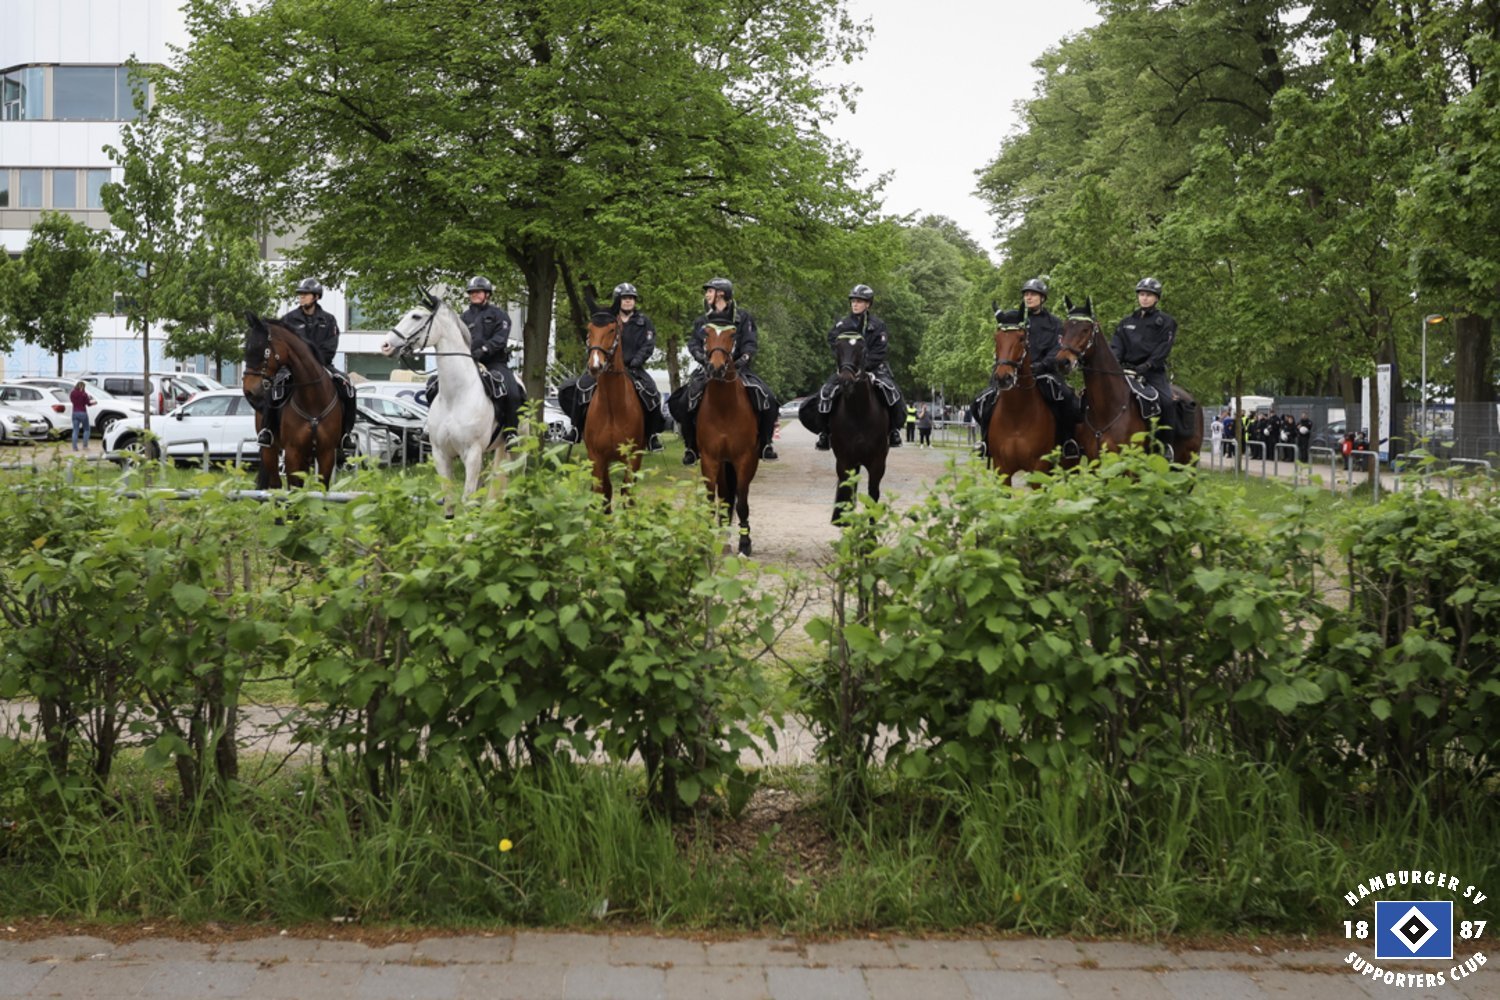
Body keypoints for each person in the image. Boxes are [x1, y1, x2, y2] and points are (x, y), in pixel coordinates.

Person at [668, 278, 779, 465]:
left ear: (721, 294)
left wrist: (744, 358)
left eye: (709, 291)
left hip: (738, 370)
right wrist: (700, 357)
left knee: (768, 398)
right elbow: (694, 343)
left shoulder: (743, 318)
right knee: (684, 401)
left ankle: (766, 444)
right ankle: (690, 447)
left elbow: (750, 343)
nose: (706, 295)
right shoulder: (702, 320)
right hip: (709, 369)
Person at [972, 278, 1080, 459]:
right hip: (1013, 372)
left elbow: (1057, 348)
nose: (1028, 298)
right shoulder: (1015, 317)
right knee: (980, 402)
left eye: (1033, 294)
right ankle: (985, 442)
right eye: (1026, 294)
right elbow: (1005, 341)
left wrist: (1042, 365)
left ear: (1042, 298)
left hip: (1044, 372)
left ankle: (1068, 441)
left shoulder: (1054, 323)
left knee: (1069, 399)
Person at [557, 282, 665, 451]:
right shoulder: (607, 320)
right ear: (618, 301)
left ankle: (651, 436)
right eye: (624, 298)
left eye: (631, 298)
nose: (628, 301)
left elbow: (648, 345)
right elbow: (594, 339)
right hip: (604, 367)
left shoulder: (644, 322)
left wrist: (637, 361)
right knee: (581, 387)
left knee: (652, 393)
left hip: (633, 367)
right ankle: (576, 429)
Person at [807, 284, 904, 451]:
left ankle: (894, 430)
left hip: (874, 368)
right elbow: (833, 342)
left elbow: (880, 350)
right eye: (853, 301)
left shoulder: (878, 325)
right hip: (847, 369)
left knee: (892, 392)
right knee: (825, 393)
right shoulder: (842, 324)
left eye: (859, 301)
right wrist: (845, 361)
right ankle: (824, 433)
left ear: (868, 304)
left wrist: (864, 367)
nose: (855, 304)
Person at [427, 276, 526, 438]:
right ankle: (430, 427)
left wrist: (484, 350)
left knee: (512, 392)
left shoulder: (499, 315)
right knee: (433, 386)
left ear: (487, 294)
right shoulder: (464, 318)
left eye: (478, 292)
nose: (474, 295)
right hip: (468, 362)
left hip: (495, 362)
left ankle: (511, 432)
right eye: (471, 292)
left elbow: (500, 339)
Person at [262, 277, 357, 446]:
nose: (301, 297)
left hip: (322, 366)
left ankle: (345, 434)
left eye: (305, 294)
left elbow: (330, 347)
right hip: (291, 368)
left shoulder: (329, 320)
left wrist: (313, 362)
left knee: (348, 387)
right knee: (274, 387)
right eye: (300, 294)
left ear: (316, 297)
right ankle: (267, 430)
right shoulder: (288, 320)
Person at [1109, 277, 1182, 440]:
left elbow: (1164, 348)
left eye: (1149, 295)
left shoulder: (1166, 322)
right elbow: (1116, 346)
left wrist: (1147, 365)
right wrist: (1114, 364)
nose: (1145, 298)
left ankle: (1166, 445)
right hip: (1125, 371)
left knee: (1167, 403)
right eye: (1142, 294)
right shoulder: (1125, 322)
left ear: (1156, 298)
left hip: (1152, 373)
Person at [69, 381, 91, 451]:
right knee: (86, 429)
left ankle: (74, 448)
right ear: (83, 387)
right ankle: (85, 446)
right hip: (83, 413)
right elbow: (88, 404)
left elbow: (72, 401)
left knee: (75, 430)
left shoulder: (72, 393)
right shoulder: (84, 394)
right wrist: (93, 402)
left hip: (75, 412)